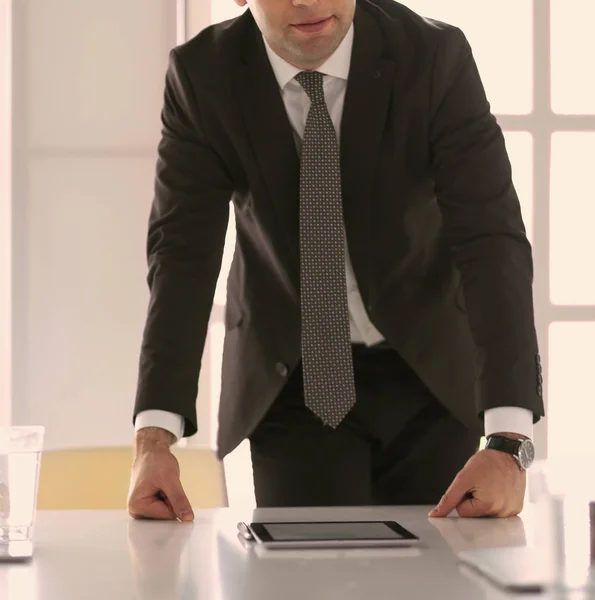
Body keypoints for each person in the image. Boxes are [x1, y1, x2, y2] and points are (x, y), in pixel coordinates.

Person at [127, 0, 545, 521]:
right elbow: (182, 255)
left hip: (431, 373)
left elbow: (490, 237)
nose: (308, 1)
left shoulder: (434, 57)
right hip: (296, 378)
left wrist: (508, 441)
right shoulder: (203, 75)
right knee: (304, 581)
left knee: (445, 579)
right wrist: (153, 440)